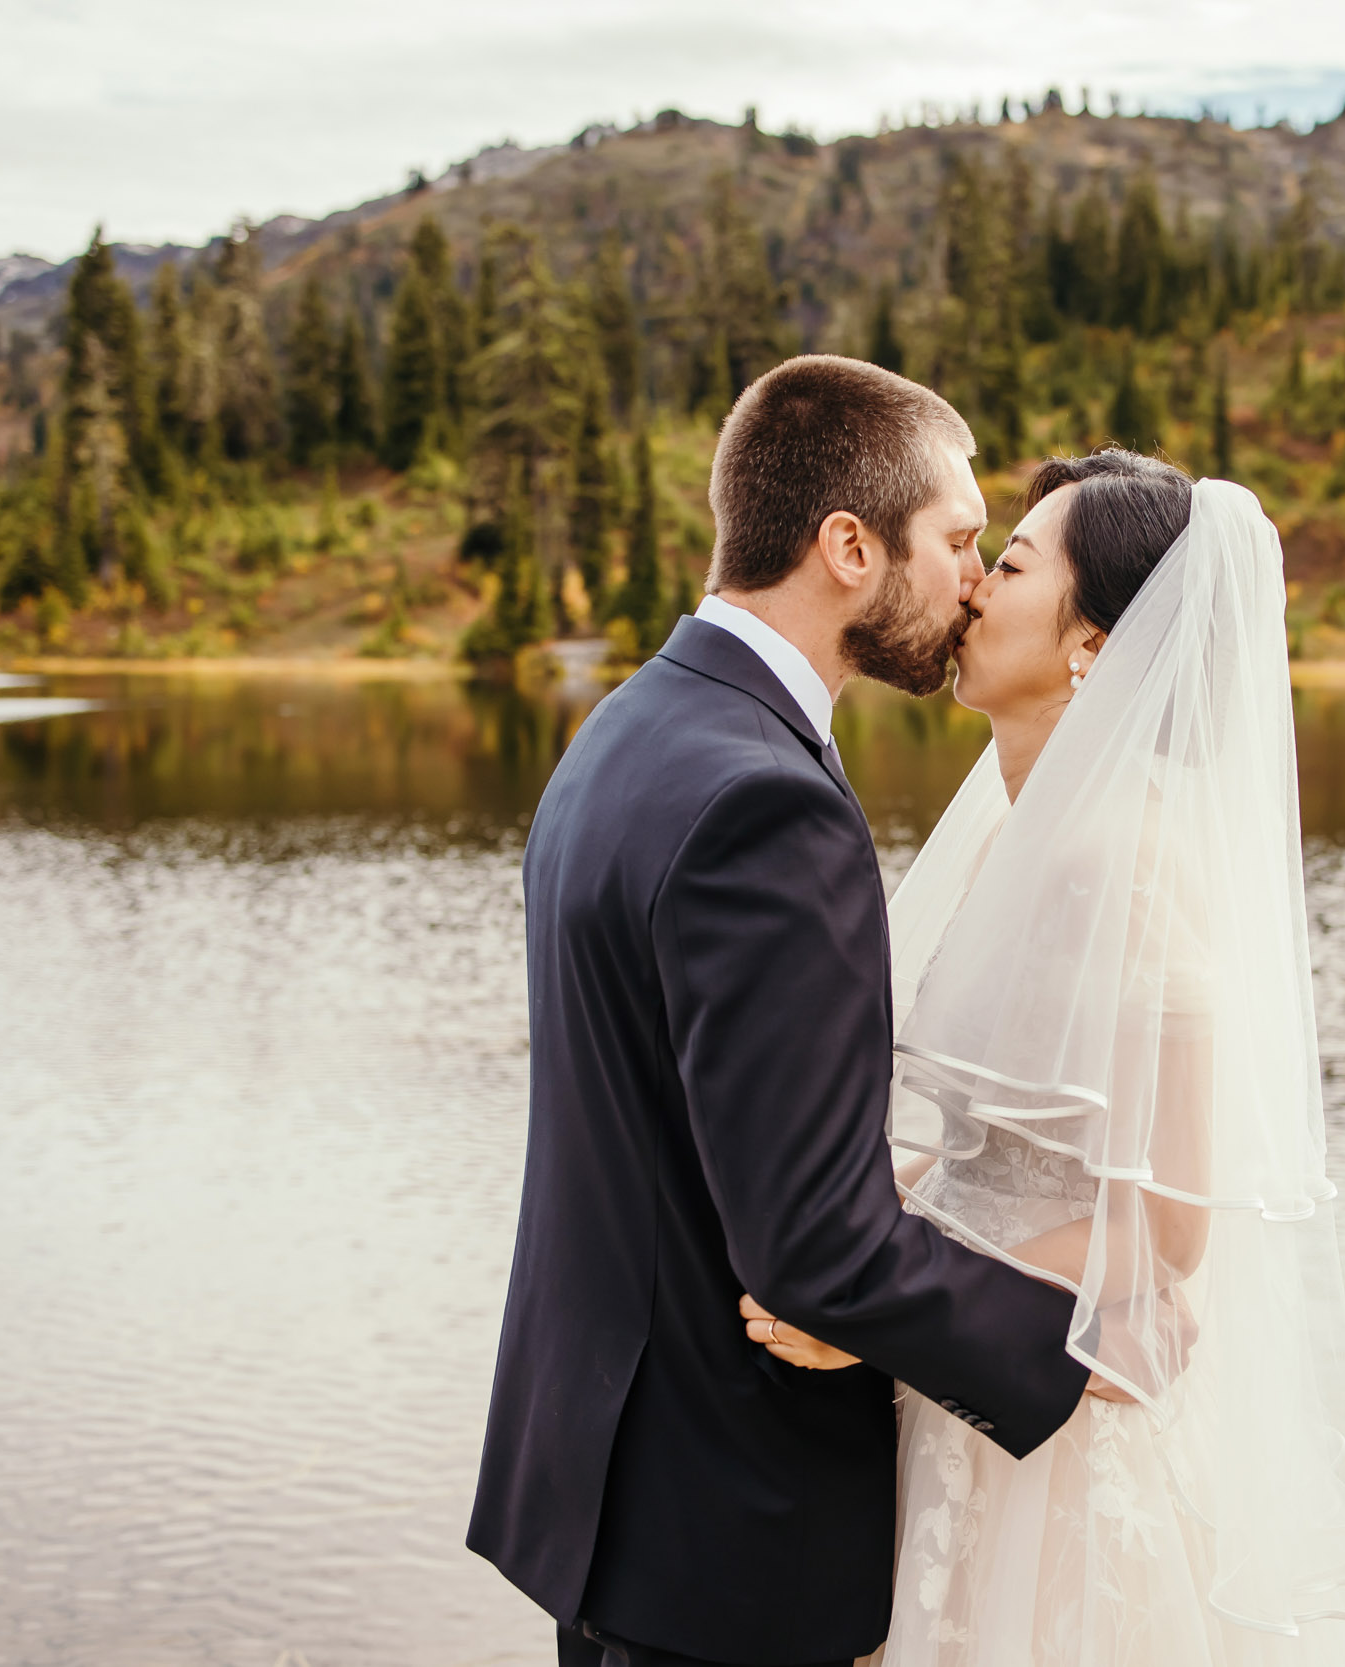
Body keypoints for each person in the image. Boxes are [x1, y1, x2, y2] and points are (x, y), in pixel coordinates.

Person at [467, 356, 1101, 1667]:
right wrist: (1084, 1341)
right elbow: (811, 1246)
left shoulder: (628, 731)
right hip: (726, 1531)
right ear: (851, 547)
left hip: (610, 1495)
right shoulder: (770, 806)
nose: (974, 579)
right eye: (961, 539)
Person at [746, 452, 1345, 1665]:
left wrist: (877, 1295)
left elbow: (1163, 1229)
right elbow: (991, 1149)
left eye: (1006, 565)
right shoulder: (1018, 827)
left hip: (1055, 1432)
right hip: (971, 1380)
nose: (967, 589)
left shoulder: (1123, 857)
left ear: (1095, 644)